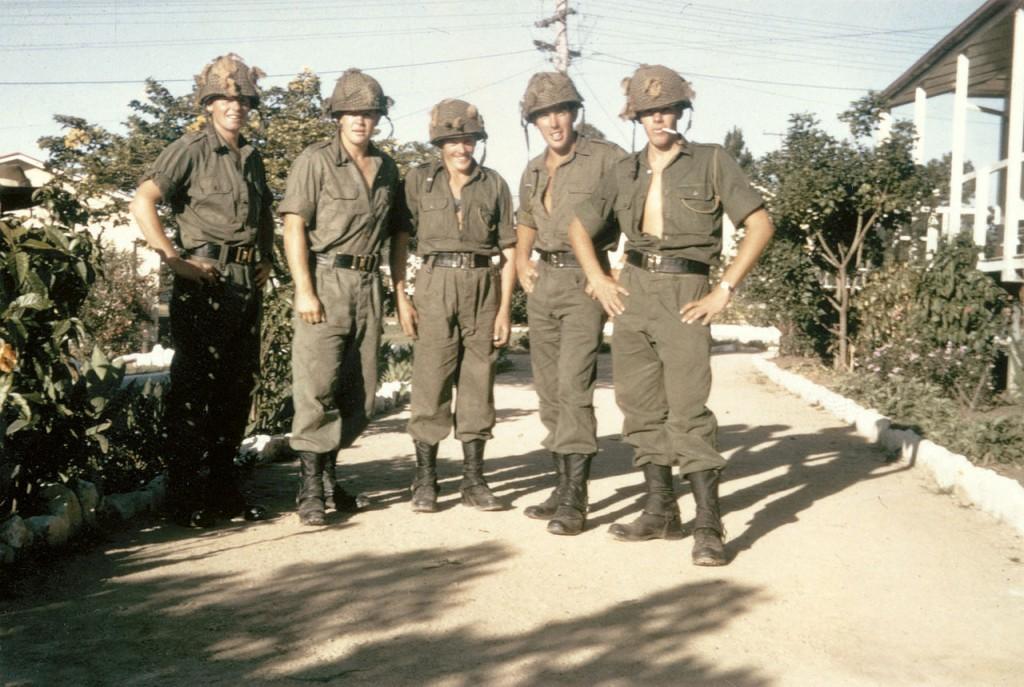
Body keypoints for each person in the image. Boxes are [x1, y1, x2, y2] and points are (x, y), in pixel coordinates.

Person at [568, 64, 775, 565]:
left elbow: (760, 225)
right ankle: (661, 510)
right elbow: (579, 227)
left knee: (687, 409)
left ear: (682, 112)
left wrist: (724, 289)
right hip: (633, 290)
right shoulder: (625, 171)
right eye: (648, 112)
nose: (659, 119)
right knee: (639, 407)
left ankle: (709, 524)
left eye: (668, 109)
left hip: (687, 291)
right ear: (635, 117)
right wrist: (598, 278)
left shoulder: (710, 161)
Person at [130, 53, 273, 528]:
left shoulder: (251, 158)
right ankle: (184, 497)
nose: (235, 106)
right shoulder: (189, 149)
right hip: (205, 281)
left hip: (244, 286)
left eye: (243, 99)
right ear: (209, 103)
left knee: (236, 389)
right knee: (195, 389)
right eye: (225, 98)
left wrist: (266, 260)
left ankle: (224, 494)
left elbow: (263, 218)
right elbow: (144, 200)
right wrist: (174, 259)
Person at [279, 69, 405, 526]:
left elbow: (398, 233)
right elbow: (293, 226)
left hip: (369, 286)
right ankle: (311, 487)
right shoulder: (314, 161)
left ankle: (330, 475)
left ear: (378, 118)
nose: (361, 120)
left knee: (363, 394)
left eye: (369, 112)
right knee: (316, 387)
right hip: (327, 279)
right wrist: (304, 289)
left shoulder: (388, 167)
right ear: (337, 116)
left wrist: (399, 290)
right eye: (352, 112)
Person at [514, 72, 625, 536]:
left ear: (574, 113)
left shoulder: (606, 158)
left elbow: (635, 209)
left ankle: (577, 498)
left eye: (560, 111)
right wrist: (521, 260)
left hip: (585, 281)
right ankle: (561, 486)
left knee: (574, 385)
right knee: (549, 392)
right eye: (543, 115)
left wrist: (615, 269)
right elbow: (526, 221)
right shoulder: (534, 168)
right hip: (545, 283)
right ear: (533, 121)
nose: (553, 122)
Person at [393, 99, 516, 513]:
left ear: (477, 141)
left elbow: (511, 250)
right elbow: (399, 239)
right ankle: (425, 480)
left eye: (468, 140)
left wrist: (504, 310)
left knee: (479, 381)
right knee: (431, 378)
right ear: (438, 144)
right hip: (434, 282)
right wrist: (401, 296)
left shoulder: (494, 183)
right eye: (451, 141)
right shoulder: (418, 181)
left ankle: (474, 481)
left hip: (483, 282)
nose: (461, 149)